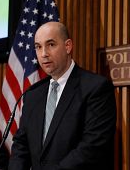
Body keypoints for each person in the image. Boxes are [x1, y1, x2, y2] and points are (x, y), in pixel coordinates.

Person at [8, 22, 116, 170]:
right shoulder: (32, 95)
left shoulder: (95, 88)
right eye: (38, 47)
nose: (43, 53)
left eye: (51, 44)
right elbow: (21, 146)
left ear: (68, 46)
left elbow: (92, 148)